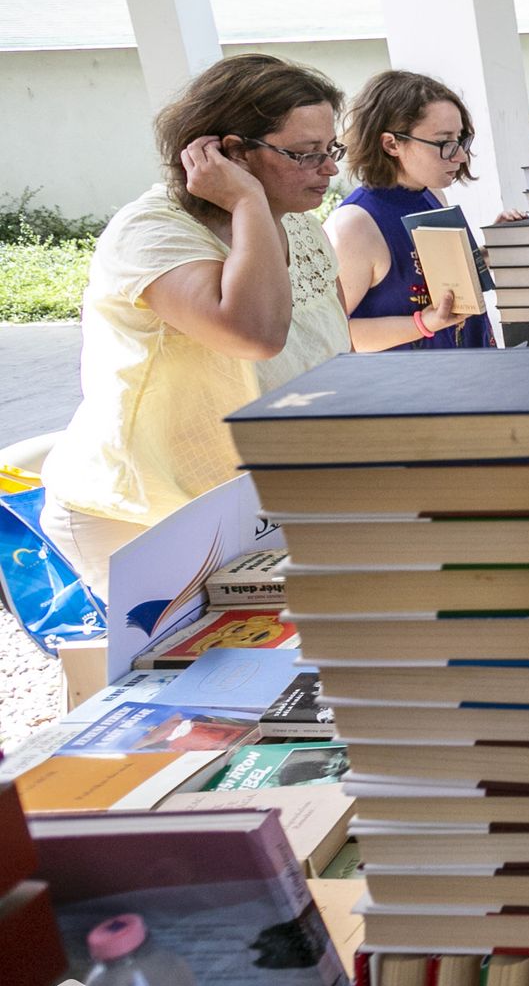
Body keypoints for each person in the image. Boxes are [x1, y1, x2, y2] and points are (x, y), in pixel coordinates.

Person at [38, 55, 354, 599]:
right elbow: (254, 335)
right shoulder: (152, 230)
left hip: (252, 500)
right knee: (194, 674)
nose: (328, 170)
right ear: (228, 153)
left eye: (331, 150)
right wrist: (247, 199)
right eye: (304, 154)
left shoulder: (300, 226)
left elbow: (331, 350)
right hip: (146, 508)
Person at [326, 71, 507, 352]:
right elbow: (334, 336)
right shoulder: (354, 224)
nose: (459, 156)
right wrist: (424, 323)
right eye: (444, 142)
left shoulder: (433, 194)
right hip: (412, 389)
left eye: (460, 139)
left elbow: (437, 279)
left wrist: (494, 249)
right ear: (391, 144)